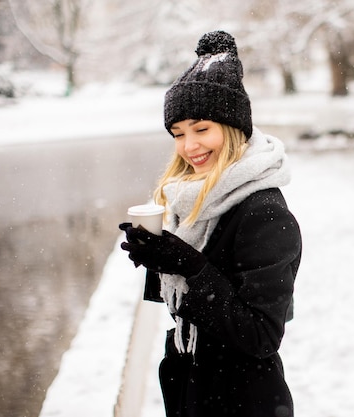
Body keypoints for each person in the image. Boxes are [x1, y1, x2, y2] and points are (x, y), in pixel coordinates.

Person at [118, 30, 302, 417]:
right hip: (193, 383)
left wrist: (187, 262)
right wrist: (159, 257)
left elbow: (261, 335)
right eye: (178, 134)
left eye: (201, 129)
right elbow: (187, 304)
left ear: (233, 128)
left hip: (242, 397)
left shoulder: (264, 212)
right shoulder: (194, 196)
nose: (189, 146)